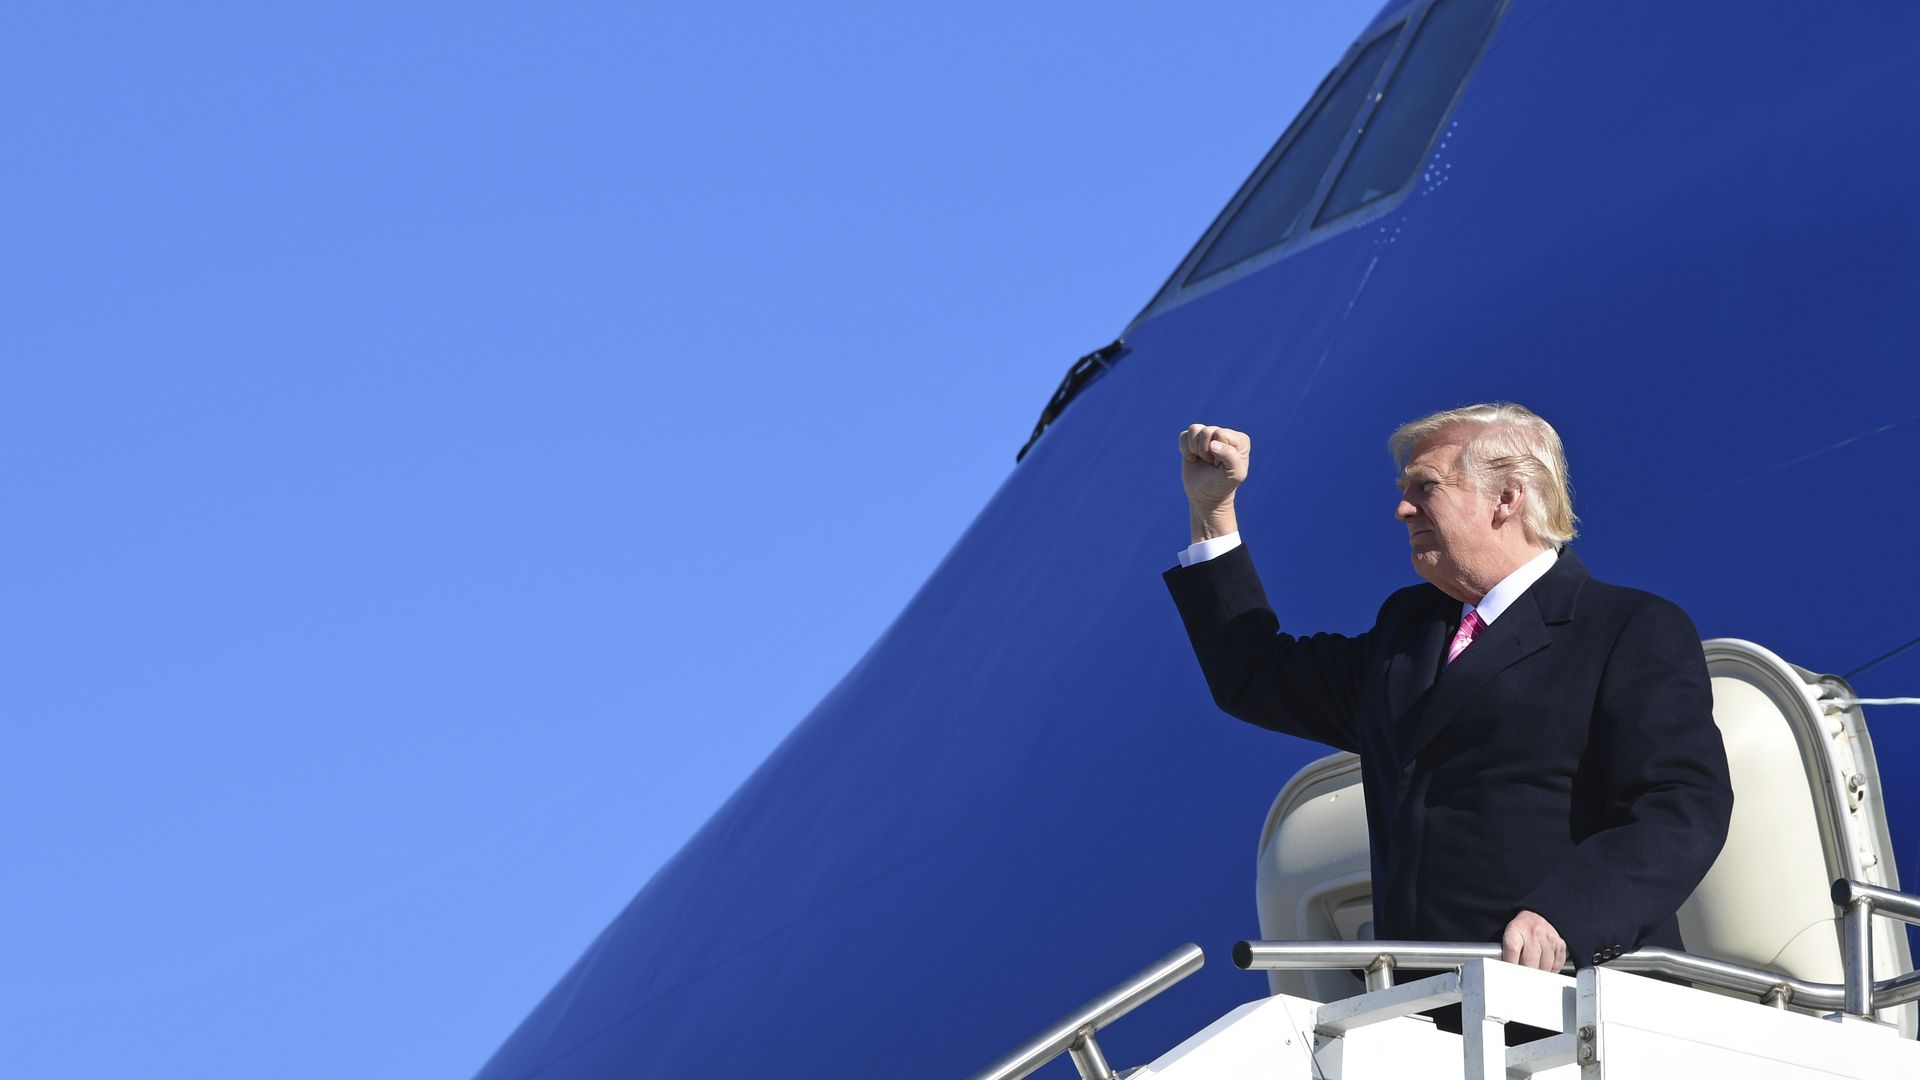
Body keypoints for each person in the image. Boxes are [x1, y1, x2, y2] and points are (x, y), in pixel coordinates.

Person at [1163, 403, 1733, 974]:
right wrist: (1213, 511)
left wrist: (1566, 915)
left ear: (1507, 498)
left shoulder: (1626, 627)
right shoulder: (1406, 635)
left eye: (1425, 486)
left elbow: (1680, 805)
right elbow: (1255, 677)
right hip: (1426, 1010)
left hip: (1577, 1004)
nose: (1402, 508)